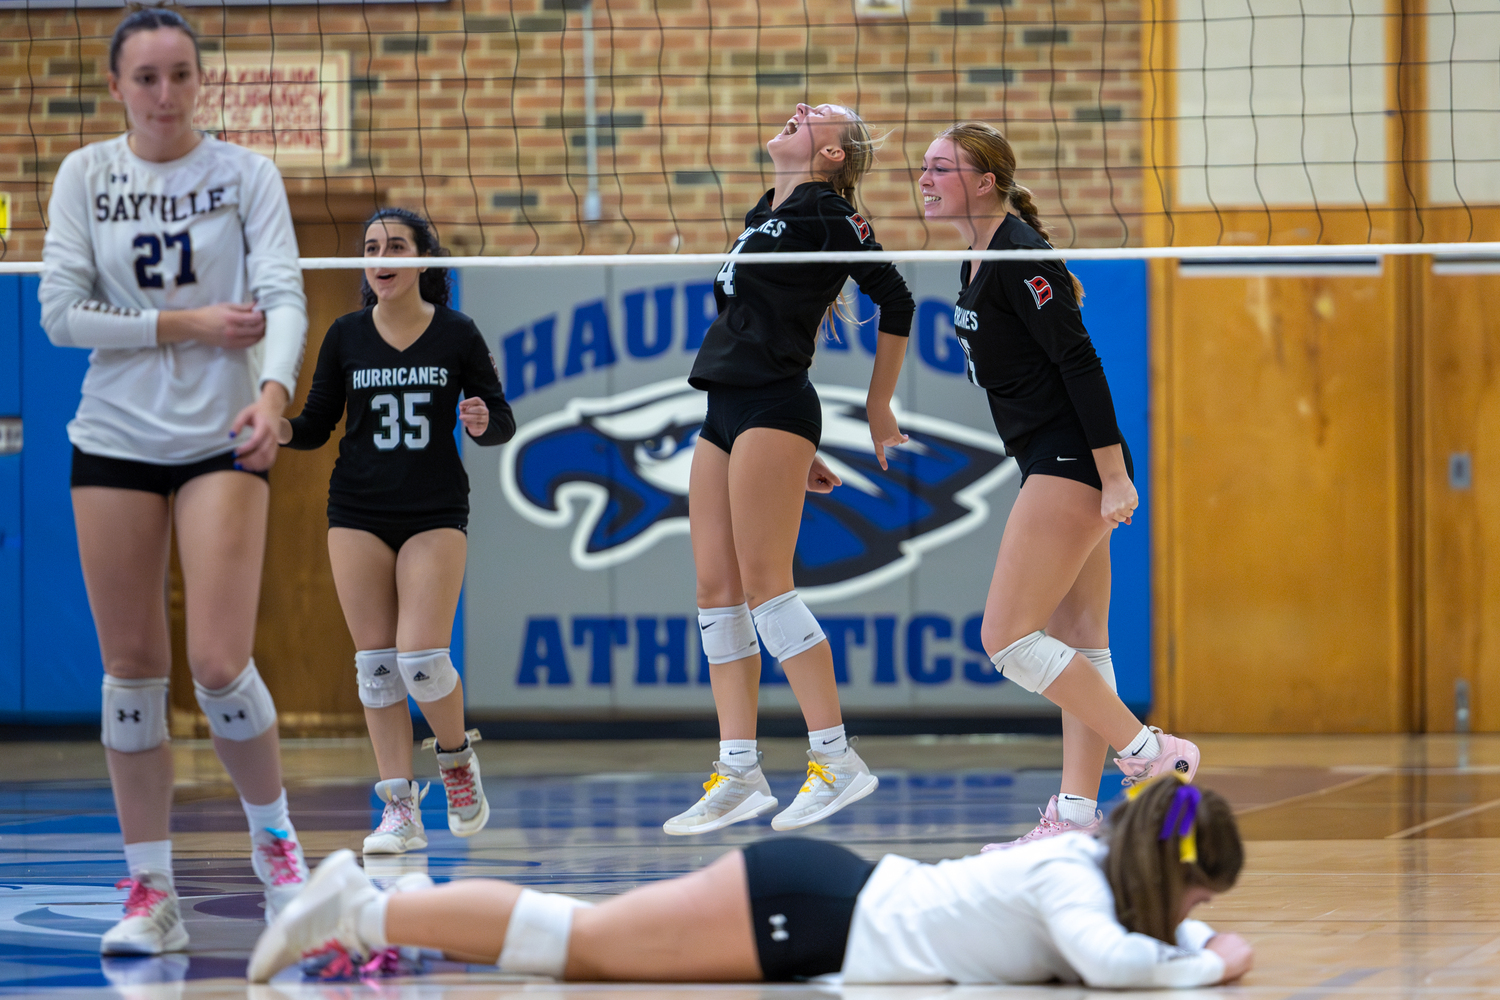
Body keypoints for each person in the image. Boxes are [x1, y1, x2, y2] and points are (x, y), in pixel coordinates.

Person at [37, 8, 310, 955]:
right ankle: (151, 890)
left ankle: (278, 851)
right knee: (131, 676)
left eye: (180, 75)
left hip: (219, 439)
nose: (164, 94)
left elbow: (282, 289)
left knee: (221, 663)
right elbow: (60, 315)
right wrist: (186, 326)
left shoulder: (245, 175)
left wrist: (273, 396)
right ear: (117, 86)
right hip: (112, 436)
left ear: (202, 82)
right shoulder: (86, 174)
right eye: (145, 77)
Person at [248, 775, 1253, 987]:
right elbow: (1114, 964)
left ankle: (369, 912)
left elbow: (1128, 945)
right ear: (1173, 874)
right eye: (1201, 898)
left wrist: (1199, 942)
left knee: (584, 947)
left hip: (825, 912)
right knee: (583, 942)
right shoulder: (1068, 879)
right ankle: (362, 903)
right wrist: (1208, 962)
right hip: (810, 907)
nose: (1199, 918)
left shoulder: (1088, 869)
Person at [917, 121, 1199, 849]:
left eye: (942, 168)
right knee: (1081, 640)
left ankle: (1151, 755)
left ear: (985, 182)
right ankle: (1074, 819)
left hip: (1071, 461)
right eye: (925, 167)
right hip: (1049, 459)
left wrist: (1113, 477)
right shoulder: (977, 260)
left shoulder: (1019, 256)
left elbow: (1081, 363)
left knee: (1006, 638)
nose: (925, 179)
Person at [663, 102, 916, 836]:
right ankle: (739, 770)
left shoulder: (829, 212)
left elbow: (895, 297)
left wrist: (877, 408)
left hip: (774, 403)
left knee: (769, 588)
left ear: (834, 153)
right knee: (717, 589)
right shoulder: (761, 212)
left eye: (816, 116)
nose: (796, 111)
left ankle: (836, 759)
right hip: (726, 412)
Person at [277, 207, 515, 855]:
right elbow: (318, 422)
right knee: (377, 669)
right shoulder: (346, 334)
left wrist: (480, 421)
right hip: (356, 509)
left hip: (434, 510)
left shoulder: (456, 333)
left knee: (422, 661)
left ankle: (456, 758)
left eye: (396, 245)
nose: (382, 256)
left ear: (420, 260)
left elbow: (501, 420)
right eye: (372, 247)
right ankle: (399, 812)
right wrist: (279, 430)